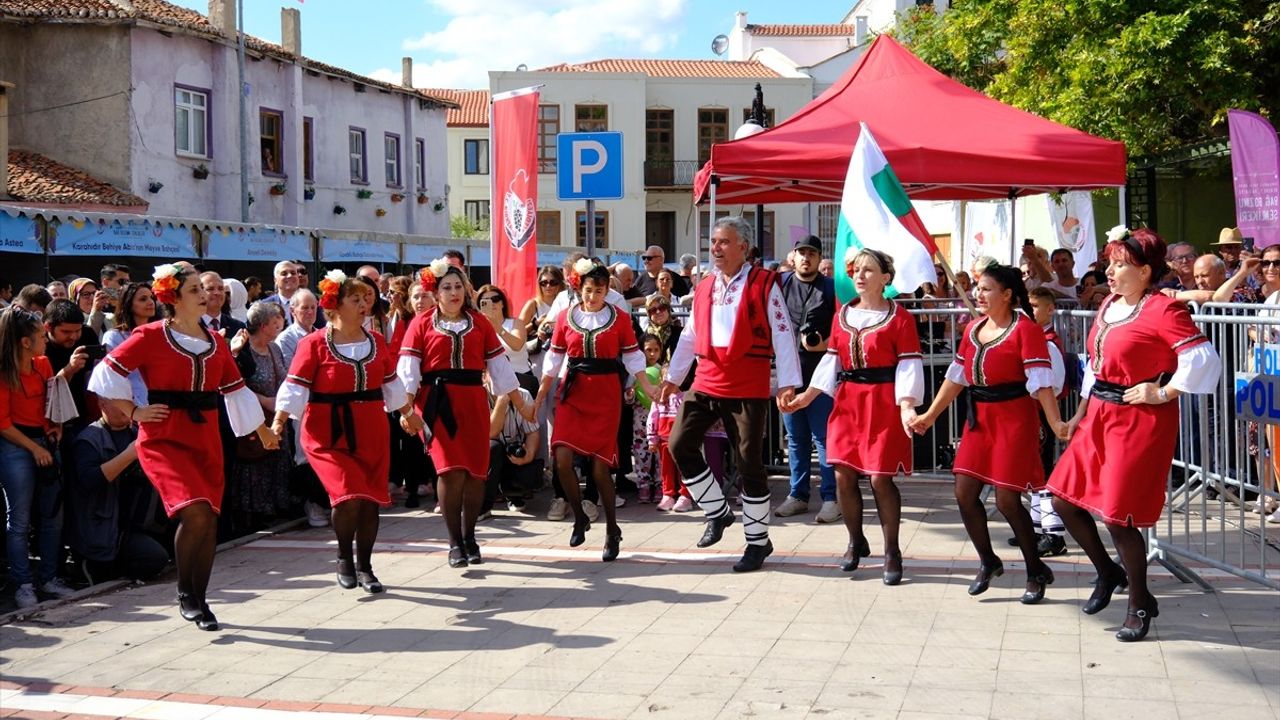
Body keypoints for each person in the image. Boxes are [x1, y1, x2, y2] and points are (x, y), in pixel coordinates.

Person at [1050, 227, 1221, 641]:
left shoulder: (1164, 309)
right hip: (1100, 416)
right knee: (1063, 500)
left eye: (1119, 263)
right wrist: (1079, 414)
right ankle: (1108, 572)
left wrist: (1162, 391)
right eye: (1109, 262)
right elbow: (1096, 366)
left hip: (1139, 419)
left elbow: (1203, 359)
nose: (1110, 270)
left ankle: (1139, 601)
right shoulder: (1109, 303)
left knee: (1119, 515)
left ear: (1145, 271)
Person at [88, 262, 279, 630]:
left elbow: (234, 388)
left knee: (209, 517)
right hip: (165, 437)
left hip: (206, 436)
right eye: (194, 290)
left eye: (203, 289)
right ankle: (185, 593)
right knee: (194, 511)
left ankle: (200, 596)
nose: (205, 295)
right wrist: (134, 411)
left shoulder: (216, 341)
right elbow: (105, 373)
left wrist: (262, 430)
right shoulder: (150, 336)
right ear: (172, 297)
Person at [910, 264, 1068, 604]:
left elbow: (1041, 383)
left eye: (986, 289)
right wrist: (928, 415)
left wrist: (1054, 424)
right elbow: (956, 378)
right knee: (964, 492)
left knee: (1007, 501)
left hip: (1015, 419)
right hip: (979, 419)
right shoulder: (972, 329)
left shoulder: (1026, 329)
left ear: (1008, 294)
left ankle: (1034, 568)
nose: (979, 295)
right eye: (978, 289)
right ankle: (988, 561)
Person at [659, 216, 802, 573]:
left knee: (749, 461)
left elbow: (783, 334)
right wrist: (674, 377)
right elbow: (690, 335)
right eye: (714, 242)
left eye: (724, 242)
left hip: (746, 382)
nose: (716, 248)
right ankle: (718, 511)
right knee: (678, 443)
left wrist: (788, 382)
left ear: (744, 247)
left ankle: (757, 542)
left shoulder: (764, 283)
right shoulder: (706, 285)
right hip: (707, 378)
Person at [272, 271, 410, 594]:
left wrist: (408, 413)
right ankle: (343, 557)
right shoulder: (315, 343)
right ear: (335, 305)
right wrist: (278, 423)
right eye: (355, 299)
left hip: (371, 429)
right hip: (328, 432)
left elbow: (390, 381)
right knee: (347, 495)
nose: (364, 304)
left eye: (366, 299)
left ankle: (366, 566)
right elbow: (294, 387)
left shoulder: (375, 341)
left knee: (370, 501)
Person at [789, 249, 923, 583]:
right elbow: (832, 360)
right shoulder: (843, 315)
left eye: (868, 270)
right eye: (856, 270)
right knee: (842, 475)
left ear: (885, 278)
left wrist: (907, 403)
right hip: (848, 403)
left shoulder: (900, 317)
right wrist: (808, 395)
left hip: (883, 402)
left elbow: (909, 363)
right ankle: (855, 540)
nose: (860, 276)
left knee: (880, 478)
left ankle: (892, 550)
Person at [398, 260, 532, 568]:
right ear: (435, 291)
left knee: (475, 472)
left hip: (472, 401)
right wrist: (406, 409)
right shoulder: (421, 323)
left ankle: (470, 535)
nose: (454, 292)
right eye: (447, 287)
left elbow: (499, 366)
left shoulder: (480, 322)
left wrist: (518, 400)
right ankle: (454, 541)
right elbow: (409, 370)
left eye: (458, 286)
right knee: (448, 470)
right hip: (436, 403)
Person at [533, 259, 654, 561]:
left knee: (600, 468)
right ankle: (579, 516)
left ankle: (612, 529)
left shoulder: (620, 318)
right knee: (561, 457)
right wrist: (541, 393)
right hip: (572, 391)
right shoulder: (564, 317)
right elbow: (554, 359)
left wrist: (647, 387)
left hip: (604, 393)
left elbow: (633, 356)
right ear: (579, 288)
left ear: (607, 291)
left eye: (599, 291)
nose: (593, 297)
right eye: (588, 290)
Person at [0, 307, 77, 608]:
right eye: (39, 336)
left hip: (44, 442)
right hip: (15, 446)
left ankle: (48, 577)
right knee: (18, 520)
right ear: (24, 342)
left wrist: (54, 432)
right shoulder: (4, 373)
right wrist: (35, 449)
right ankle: (23, 583)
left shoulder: (43, 364)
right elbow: (3, 422)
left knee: (52, 518)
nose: (45, 340)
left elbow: (51, 405)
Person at [68, 401, 170, 584]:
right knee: (153, 558)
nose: (127, 408)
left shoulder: (135, 431)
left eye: (129, 402)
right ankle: (92, 569)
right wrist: (129, 454)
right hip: (101, 528)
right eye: (120, 403)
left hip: (131, 526)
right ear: (103, 405)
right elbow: (90, 481)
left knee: (163, 555)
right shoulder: (89, 439)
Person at [774, 235, 839, 523]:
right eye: (801, 252)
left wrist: (825, 344)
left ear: (819, 257)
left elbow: (842, 326)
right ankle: (798, 495)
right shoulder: (781, 285)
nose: (806, 258)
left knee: (823, 438)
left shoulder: (831, 288)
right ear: (793, 256)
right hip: (790, 372)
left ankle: (831, 498)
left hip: (821, 372)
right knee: (796, 438)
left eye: (812, 253)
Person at [230, 301, 294, 529]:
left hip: (277, 415)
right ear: (265, 324)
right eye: (276, 320)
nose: (281, 323)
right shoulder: (244, 349)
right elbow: (237, 385)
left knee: (278, 458)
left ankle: (277, 507)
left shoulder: (275, 348)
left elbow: (286, 377)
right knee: (256, 461)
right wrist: (265, 400)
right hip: (254, 414)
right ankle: (255, 512)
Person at [1024, 287, 1069, 557]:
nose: (1031, 312)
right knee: (1034, 473)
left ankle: (1054, 535)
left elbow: (1054, 383)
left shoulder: (1048, 343)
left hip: (1043, 412)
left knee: (1044, 474)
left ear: (1050, 309)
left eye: (1035, 306)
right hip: (1032, 412)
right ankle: (1036, 528)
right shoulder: (1034, 339)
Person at [483, 377, 541, 515]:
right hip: (485, 453)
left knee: (521, 453)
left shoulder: (523, 395)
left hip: (512, 451)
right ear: (484, 376)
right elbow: (492, 433)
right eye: (495, 374)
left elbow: (533, 432)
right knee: (494, 448)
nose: (501, 379)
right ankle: (484, 505)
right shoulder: (478, 395)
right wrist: (502, 401)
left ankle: (514, 495)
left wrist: (529, 454)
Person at [103, 284, 157, 408]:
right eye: (143, 299)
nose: (150, 302)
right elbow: (111, 377)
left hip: (161, 405)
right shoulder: (114, 336)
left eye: (151, 297)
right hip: (130, 407)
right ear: (129, 304)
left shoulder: (161, 333)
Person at [477, 284, 534, 395]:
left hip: (521, 381)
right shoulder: (478, 329)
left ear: (502, 303)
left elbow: (517, 345)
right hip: (493, 386)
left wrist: (498, 329)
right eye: (485, 301)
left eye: (495, 299)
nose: (492, 303)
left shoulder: (515, 323)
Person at [274, 289, 318, 368]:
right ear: (292, 310)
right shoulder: (285, 340)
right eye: (305, 308)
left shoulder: (323, 335)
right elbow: (289, 371)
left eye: (313, 307)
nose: (310, 312)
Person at [640, 295, 682, 365]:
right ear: (649, 315)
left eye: (662, 308)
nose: (658, 312)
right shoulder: (643, 338)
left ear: (668, 311)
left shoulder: (681, 334)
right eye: (653, 310)